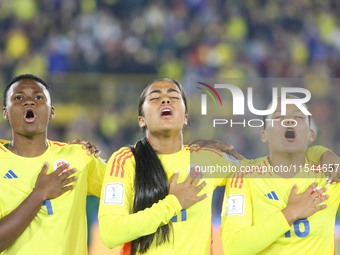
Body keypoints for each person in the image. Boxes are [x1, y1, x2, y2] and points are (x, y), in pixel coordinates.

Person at [98, 79, 333, 255]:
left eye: (173, 96)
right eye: (155, 97)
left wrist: (320, 152)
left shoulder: (207, 160)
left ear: (186, 117)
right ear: (141, 119)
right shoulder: (126, 161)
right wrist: (174, 203)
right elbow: (111, 233)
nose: (165, 99)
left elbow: (269, 164)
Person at [0, 74, 106, 255]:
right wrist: (40, 193)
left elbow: (128, 189)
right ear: (5, 112)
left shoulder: (78, 156)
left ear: (51, 112)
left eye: (38, 97)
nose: (29, 102)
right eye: (18, 97)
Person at [221, 96, 340, 254]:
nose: (289, 121)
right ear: (264, 135)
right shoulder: (244, 178)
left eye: (298, 116)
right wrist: (291, 213)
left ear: (311, 134)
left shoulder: (330, 175)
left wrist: (323, 151)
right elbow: (233, 248)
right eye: (278, 117)